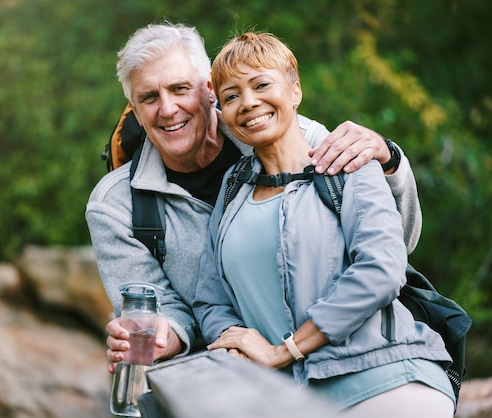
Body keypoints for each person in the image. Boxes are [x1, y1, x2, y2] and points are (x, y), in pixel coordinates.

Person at [85, 22, 422, 375]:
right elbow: (163, 306)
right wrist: (165, 334)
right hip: (225, 373)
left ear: (209, 90)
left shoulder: (300, 139)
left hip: (336, 356)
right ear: (134, 109)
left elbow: (395, 248)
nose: (167, 109)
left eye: (179, 88)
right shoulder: (115, 205)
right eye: (149, 97)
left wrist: (390, 163)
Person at [192, 32, 455, 417]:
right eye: (231, 96)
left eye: (261, 84)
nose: (248, 102)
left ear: (295, 90)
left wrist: (284, 351)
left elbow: (381, 270)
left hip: (385, 383)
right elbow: (210, 297)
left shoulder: (350, 166)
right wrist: (234, 343)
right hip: (291, 402)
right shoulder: (233, 190)